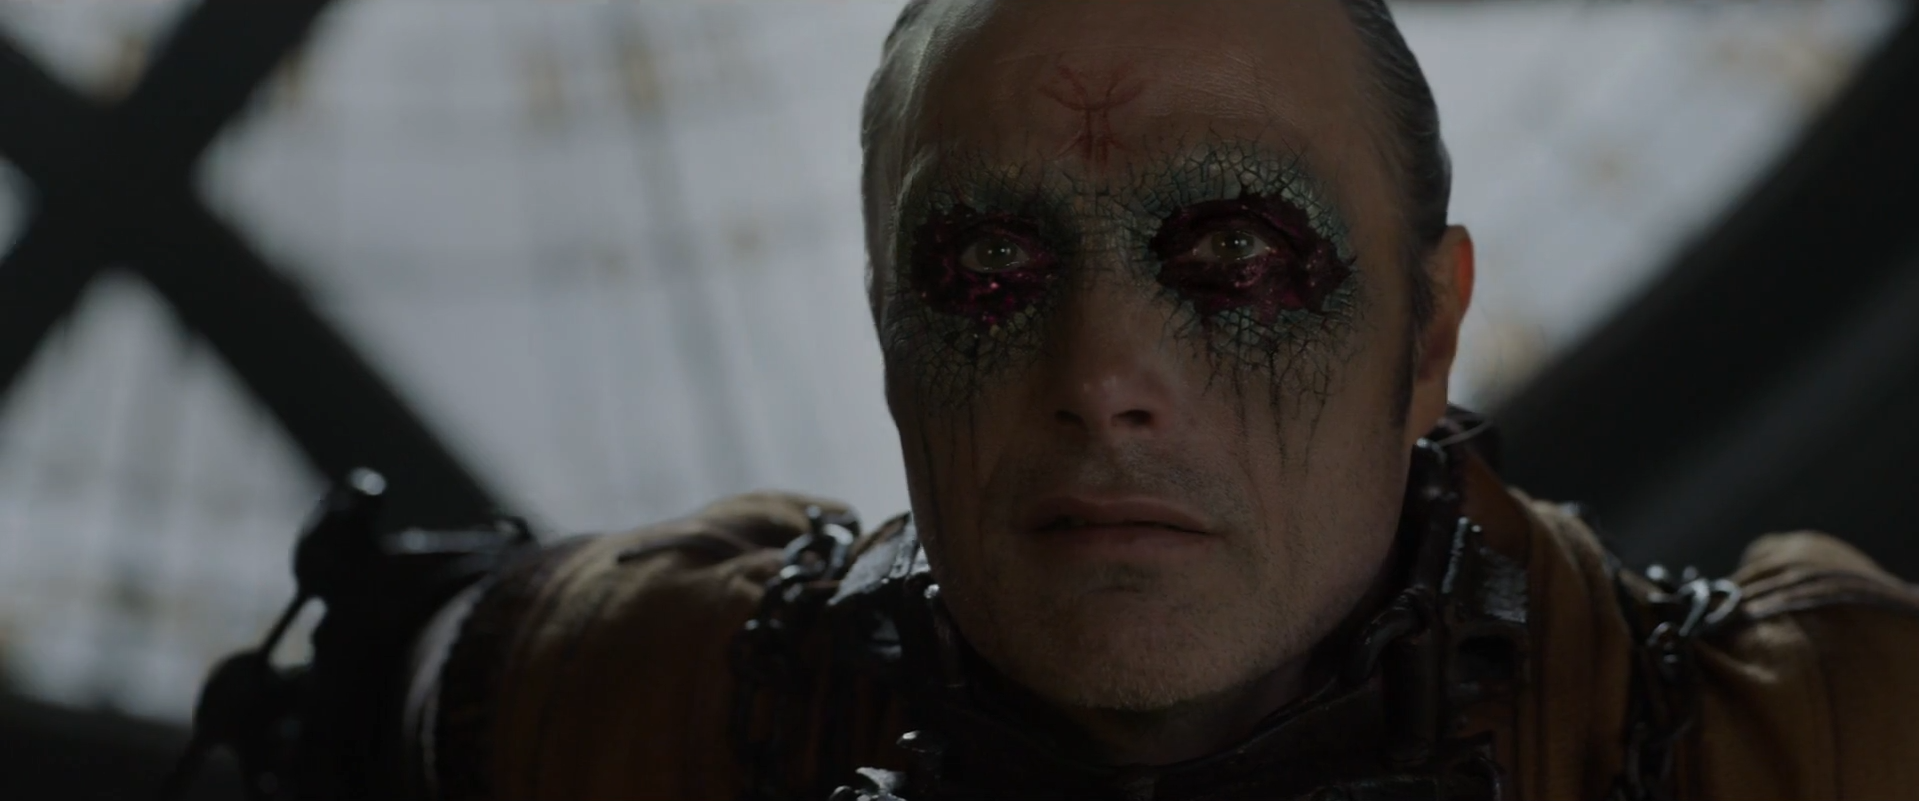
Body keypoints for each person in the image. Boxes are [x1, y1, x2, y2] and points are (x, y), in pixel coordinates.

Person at [221, 1, 1919, 799]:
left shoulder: (1829, 745)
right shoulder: (596, 705)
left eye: (1238, 258)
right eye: (987, 268)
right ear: (890, 338)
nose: (1102, 380)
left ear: (1426, 333)